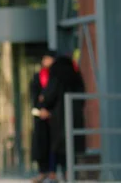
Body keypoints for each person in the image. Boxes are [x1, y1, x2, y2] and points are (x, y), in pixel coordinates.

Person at [40, 55, 86, 181]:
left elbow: (50, 94)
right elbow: (82, 94)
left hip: (59, 117)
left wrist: (44, 103)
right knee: (73, 146)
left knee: (59, 147)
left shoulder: (55, 74)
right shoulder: (74, 74)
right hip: (75, 116)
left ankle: (59, 174)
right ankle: (71, 174)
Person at [30, 50, 57, 182]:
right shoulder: (37, 77)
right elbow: (34, 97)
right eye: (45, 58)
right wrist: (41, 109)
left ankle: (53, 171)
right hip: (40, 117)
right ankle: (42, 172)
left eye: (49, 58)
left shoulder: (56, 77)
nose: (47, 61)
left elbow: (56, 96)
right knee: (41, 144)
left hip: (54, 117)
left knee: (54, 145)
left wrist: (50, 110)